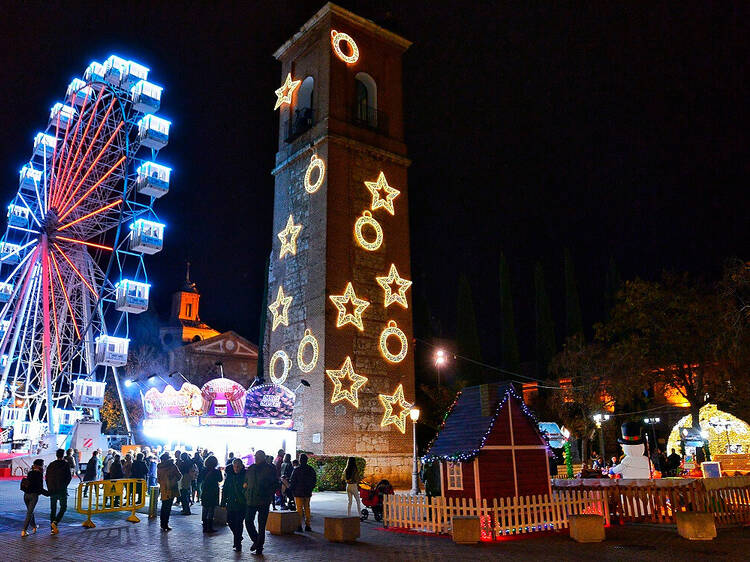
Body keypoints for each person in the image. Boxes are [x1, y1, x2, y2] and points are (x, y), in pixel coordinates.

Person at [244, 450, 278, 555]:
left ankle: (259, 546)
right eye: (256, 456)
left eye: (259, 456)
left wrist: (268, 494)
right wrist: (246, 492)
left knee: (261, 525)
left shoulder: (270, 469)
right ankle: (257, 541)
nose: (256, 458)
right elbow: (245, 482)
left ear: (263, 457)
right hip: (251, 499)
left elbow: (275, 484)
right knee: (248, 521)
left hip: (263, 500)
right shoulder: (251, 468)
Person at [222, 458, 246, 552]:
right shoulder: (230, 476)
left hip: (241, 504)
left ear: (241, 466)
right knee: (230, 521)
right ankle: (238, 537)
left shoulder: (245, 476)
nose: (236, 468)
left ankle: (237, 543)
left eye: (238, 466)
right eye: (235, 466)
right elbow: (225, 489)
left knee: (239, 523)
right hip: (231, 503)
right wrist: (223, 502)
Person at [46, 448, 72, 534]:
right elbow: (69, 477)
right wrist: (64, 485)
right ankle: (55, 522)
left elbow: (47, 477)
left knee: (53, 509)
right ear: (63, 455)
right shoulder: (65, 465)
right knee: (63, 507)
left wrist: (49, 487)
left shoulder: (51, 465)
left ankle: (52, 529)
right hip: (62, 489)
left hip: (52, 490)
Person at [21, 459, 49, 537]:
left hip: (26, 495)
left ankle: (34, 526)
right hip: (33, 496)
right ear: (40, 465)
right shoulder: (39, 474)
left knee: (30, 511)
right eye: (42, 465)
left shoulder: (30, 473)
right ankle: (24, 530)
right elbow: (39, 487)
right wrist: (48, 494)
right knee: (29, 513)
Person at [289, 453, 316, 532]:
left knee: (299, 509)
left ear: (300, 461)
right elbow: (314, 480)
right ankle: (308, 525)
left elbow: (293, 481)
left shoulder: (296, 470)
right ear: (307, 460)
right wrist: (311, 488)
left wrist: (292, 490)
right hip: (307, 492)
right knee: (307, 508)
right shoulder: (310, 469)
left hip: (298, 493)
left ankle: (299, 525)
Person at [157, 452, 181, 531]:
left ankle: (162, 523)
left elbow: (158, 479)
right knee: (168, 507)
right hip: (172, 488)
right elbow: (179, 476)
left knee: (164, 506)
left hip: (164, 488)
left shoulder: (159, 467)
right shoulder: (172, 466)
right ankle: (165, 524)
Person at [201, 455, 223, 533]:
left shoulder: (203, 470)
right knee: (211, 509)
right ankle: (209, 527)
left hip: (205, 490)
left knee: (205, 508)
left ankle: (204, 526)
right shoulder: (217, 471)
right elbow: (220, 480)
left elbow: (201, 478)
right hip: (213, 491)